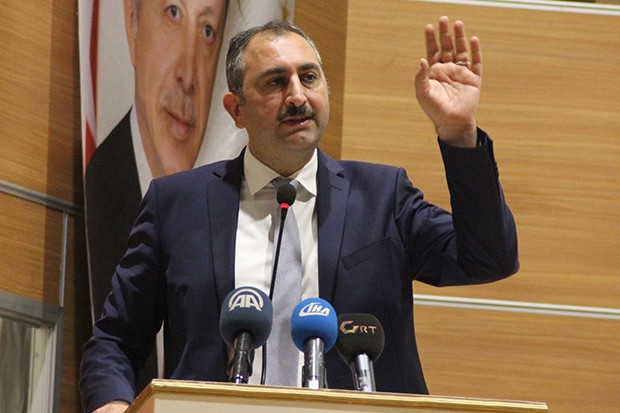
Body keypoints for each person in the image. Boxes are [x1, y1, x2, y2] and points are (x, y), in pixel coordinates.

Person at [79, 17, 519, 413]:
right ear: (236, 109)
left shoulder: (382, 196)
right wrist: (112, 403)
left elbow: (489, 258)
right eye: (275, 82)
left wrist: (459, 134)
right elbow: (114, 339)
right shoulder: (177, 204)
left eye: (309, 77)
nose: (297, 96)